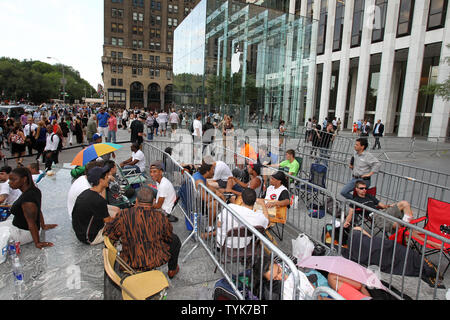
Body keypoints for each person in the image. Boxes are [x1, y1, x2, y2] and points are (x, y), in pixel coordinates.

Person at [103, 186, 181, 278]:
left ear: (136, 200)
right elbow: (168, 237)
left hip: (130, 261)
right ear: (153, 201)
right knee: (175, 240)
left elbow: (109, 232)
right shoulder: (161, 218)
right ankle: (172, 269)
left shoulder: (123, 214)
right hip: (154, 260)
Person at [0, 167, 57, 249]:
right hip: (18, 226)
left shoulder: (27, 200)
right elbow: (38, 210)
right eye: (10, 180)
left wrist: (37, 243)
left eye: (13, 180)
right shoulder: (34, 190)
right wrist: (43, 225)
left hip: (24, 232)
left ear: (24, 179)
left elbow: (31, 223)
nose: (9, 183)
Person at [343, 180, 414, 232]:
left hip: (382, 211)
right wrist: (346, 222)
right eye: (361, 188)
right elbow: (350, 213)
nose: (364, 190)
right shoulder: (355, 201)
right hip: (376, 217)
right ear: (356, 189)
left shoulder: (369, 196)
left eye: (365, 188)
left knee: (404, 203)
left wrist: (389, 205)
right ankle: (405, 235)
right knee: (397, 224)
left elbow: (383, 206)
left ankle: (407, 224)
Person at [72, 166, 117, 245]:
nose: (108, 179)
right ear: (100, 181)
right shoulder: (98, 201)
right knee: (120, 224)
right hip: (90, 237)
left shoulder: (87, 192)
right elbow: (109, 222)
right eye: (107, 177)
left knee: (117, 210)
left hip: (80, 232)